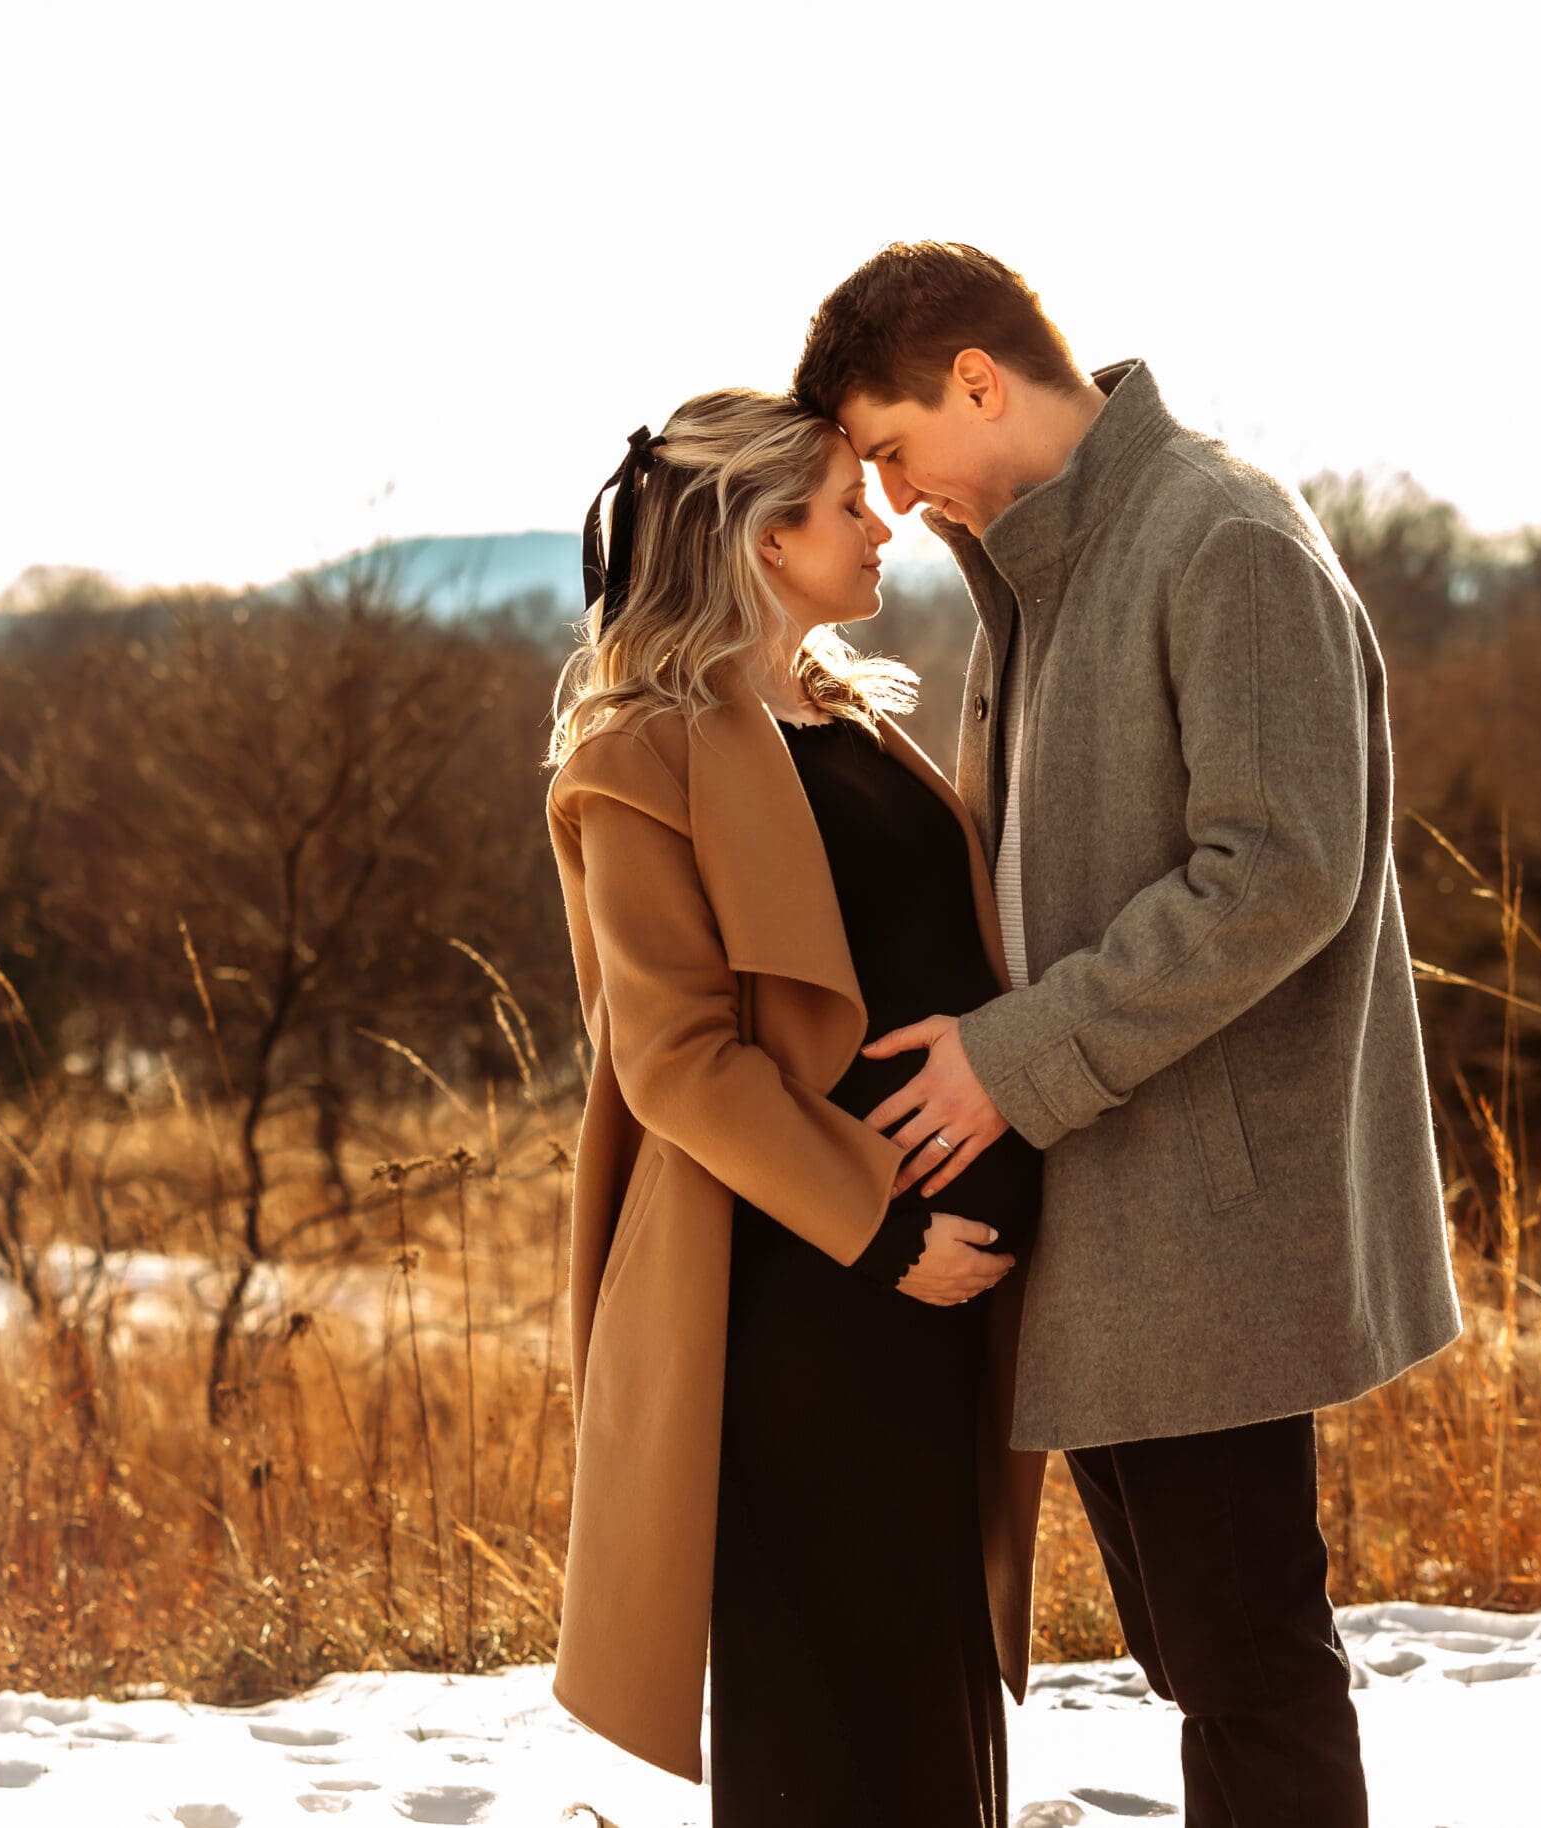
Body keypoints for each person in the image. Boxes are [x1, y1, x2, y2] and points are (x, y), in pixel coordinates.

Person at [792, 243, 1468, 1827]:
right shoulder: (1049, 564)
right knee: (1198, 1654)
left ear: (978, 381)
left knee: (1251, 1668)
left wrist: (1009, 1059)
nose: (889, 499)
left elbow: (1282, 871)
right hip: (1116, 1199)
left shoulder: (1219, 538)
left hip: (1212, 1217)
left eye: (893, 450)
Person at [540, 386, 1047, 1825]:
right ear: (762, 538)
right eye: (842, 504)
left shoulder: (848, 721)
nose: (881, 524)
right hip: (806, 1302)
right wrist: (889, 1234)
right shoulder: (638, 754)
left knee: (931, 1697)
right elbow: (679, 1059)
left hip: (933, 1310)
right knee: (832, 1714)